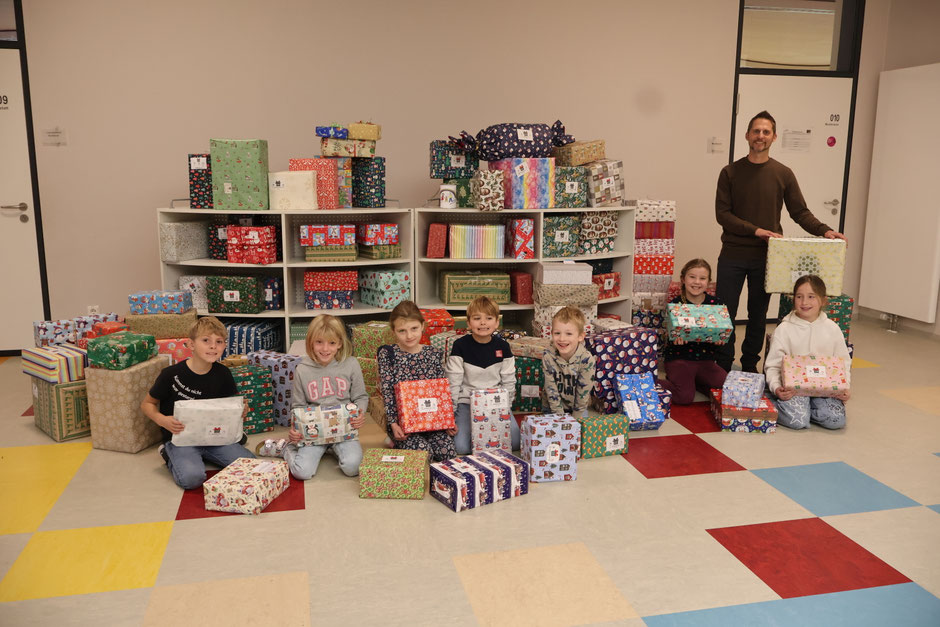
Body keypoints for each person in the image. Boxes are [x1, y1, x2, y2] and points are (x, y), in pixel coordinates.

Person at [715, 110, 846, 373]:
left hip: (767, 257)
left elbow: (800, 212)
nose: (760, 136)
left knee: (758, 314)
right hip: (732, 254)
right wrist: (757, 231)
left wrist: (825, 231)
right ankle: (722, 365)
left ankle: (750, 366)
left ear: (774, 137)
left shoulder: (783, 173)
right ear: (747, 135)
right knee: (724, 313)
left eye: (766, 132)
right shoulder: (730, 172)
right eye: (756, 131)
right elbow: (723, 215)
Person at [141, 316, 254, 489]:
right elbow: (147, 404)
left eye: (219, 342)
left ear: (224, 346)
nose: (213, 346)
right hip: (182, 439)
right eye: (206, 340)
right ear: (191, 344)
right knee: (191, 478)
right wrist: (162, 420)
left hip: (216, 437)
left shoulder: (223, 373)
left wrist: (241, 410)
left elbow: (230, 406)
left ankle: (207, 454)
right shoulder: (170, 374)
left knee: (251, 465)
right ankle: (168, 452)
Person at [284, 315, 368, 479]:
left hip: (344, 430)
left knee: (353, 468)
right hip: (313, 432)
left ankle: (333, 448)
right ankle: (286, 449)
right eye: (319, 342)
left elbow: (361, 397)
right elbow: (298, 407)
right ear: (310, 342)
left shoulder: (351, 364)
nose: (325, 349)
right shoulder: (302, 369)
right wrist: (295, 429)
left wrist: (360, 413)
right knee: (302, 472)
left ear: (340, 343)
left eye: (332, 343)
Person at [764, 275, 851, 429]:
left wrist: (845, 387)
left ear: (823, 301)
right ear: (793, 299)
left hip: (824, 390)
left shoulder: (833, 329)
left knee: (836, 421)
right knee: (797, 421)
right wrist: (776, 387)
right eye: (799, 297)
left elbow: (843, 363)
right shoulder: (784, 329)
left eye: (811, 297)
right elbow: (773, 365)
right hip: (793, 390)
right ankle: (772, 401)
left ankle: (807, 410)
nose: (804, 302)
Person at [377, 301, 457, 462]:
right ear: (393, 331)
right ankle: (394, 442)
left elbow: (441, 391)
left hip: (432, 422)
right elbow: (388, 392)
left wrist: (448, 420)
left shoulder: (433, 353)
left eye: (414, 328)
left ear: (422, 326)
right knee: (424, 454)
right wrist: (393, 424)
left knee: (448, 453)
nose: (409, 336)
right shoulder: (388, 354)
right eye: (402, 331)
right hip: (403, 424)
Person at [445, 296, 518, 455]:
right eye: (477, 318)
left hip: (496, 403)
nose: (483, 323)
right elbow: (453, 382)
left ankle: (484, 441)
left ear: (497, 322)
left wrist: (506, 408)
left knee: (515, 441)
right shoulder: (460, 346)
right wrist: (450, 414)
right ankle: (479, 440)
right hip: (466, 403)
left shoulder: (503, 347)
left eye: (489, 318)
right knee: (461, 447)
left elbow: (508, 381)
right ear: (468, 323)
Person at [660, 259, 729, 404]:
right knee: (684, 398)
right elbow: (666, 336)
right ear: (683, 279)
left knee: (727, 386)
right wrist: (674, 339)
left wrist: (719, 340)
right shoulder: (676, 305)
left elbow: (723, 330)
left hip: (706, 360)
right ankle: (650, 381)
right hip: (680, 359)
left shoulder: (716, 305)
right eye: (692, 277)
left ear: (708, 282)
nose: (697, 282)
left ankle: (693, 381)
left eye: (702, 278)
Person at [542, 306, 596, 418]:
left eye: (569, 334)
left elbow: (583, 395)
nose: (562, 339)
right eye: (557, 333)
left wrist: (575, 420)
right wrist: (561, 419)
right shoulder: (548, 356)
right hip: (552, 407)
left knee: (581, 427)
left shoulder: (587, 360)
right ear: (551, 333)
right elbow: (551, 390)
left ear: (580, 336)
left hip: (578, 409)